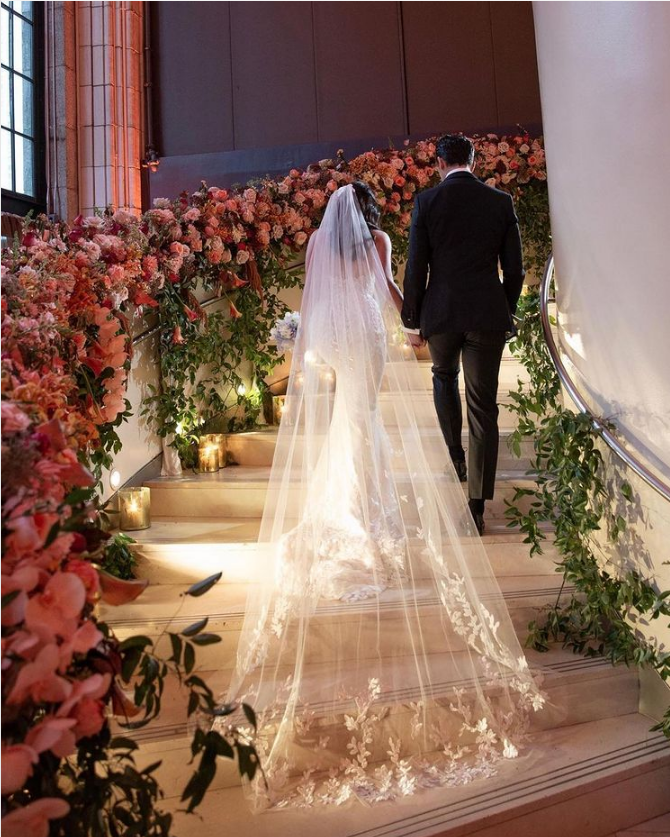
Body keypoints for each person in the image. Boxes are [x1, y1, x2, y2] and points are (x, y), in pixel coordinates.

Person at [218, 183, 543, 810]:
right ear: (366, 213)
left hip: (334, 334)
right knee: (361, 416)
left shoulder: (316, 241)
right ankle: (366, 511)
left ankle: (346, 508)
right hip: (364, 329)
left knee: (350, 416)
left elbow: (315, 297)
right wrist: (412, 321)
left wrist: (299, 338)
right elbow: (390, 292)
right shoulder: (379, 238)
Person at [402, 134, 525, 536]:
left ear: (438, 164)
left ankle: (454, 454)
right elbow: (516, 269)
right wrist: (505, 308)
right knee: (483, 407)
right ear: (475, 161)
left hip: (441, 311)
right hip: (487, 313)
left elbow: (416, 266)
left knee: (443, 377)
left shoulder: (426, 201)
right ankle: (476, 505)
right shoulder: (499, 202)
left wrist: (412, 320)